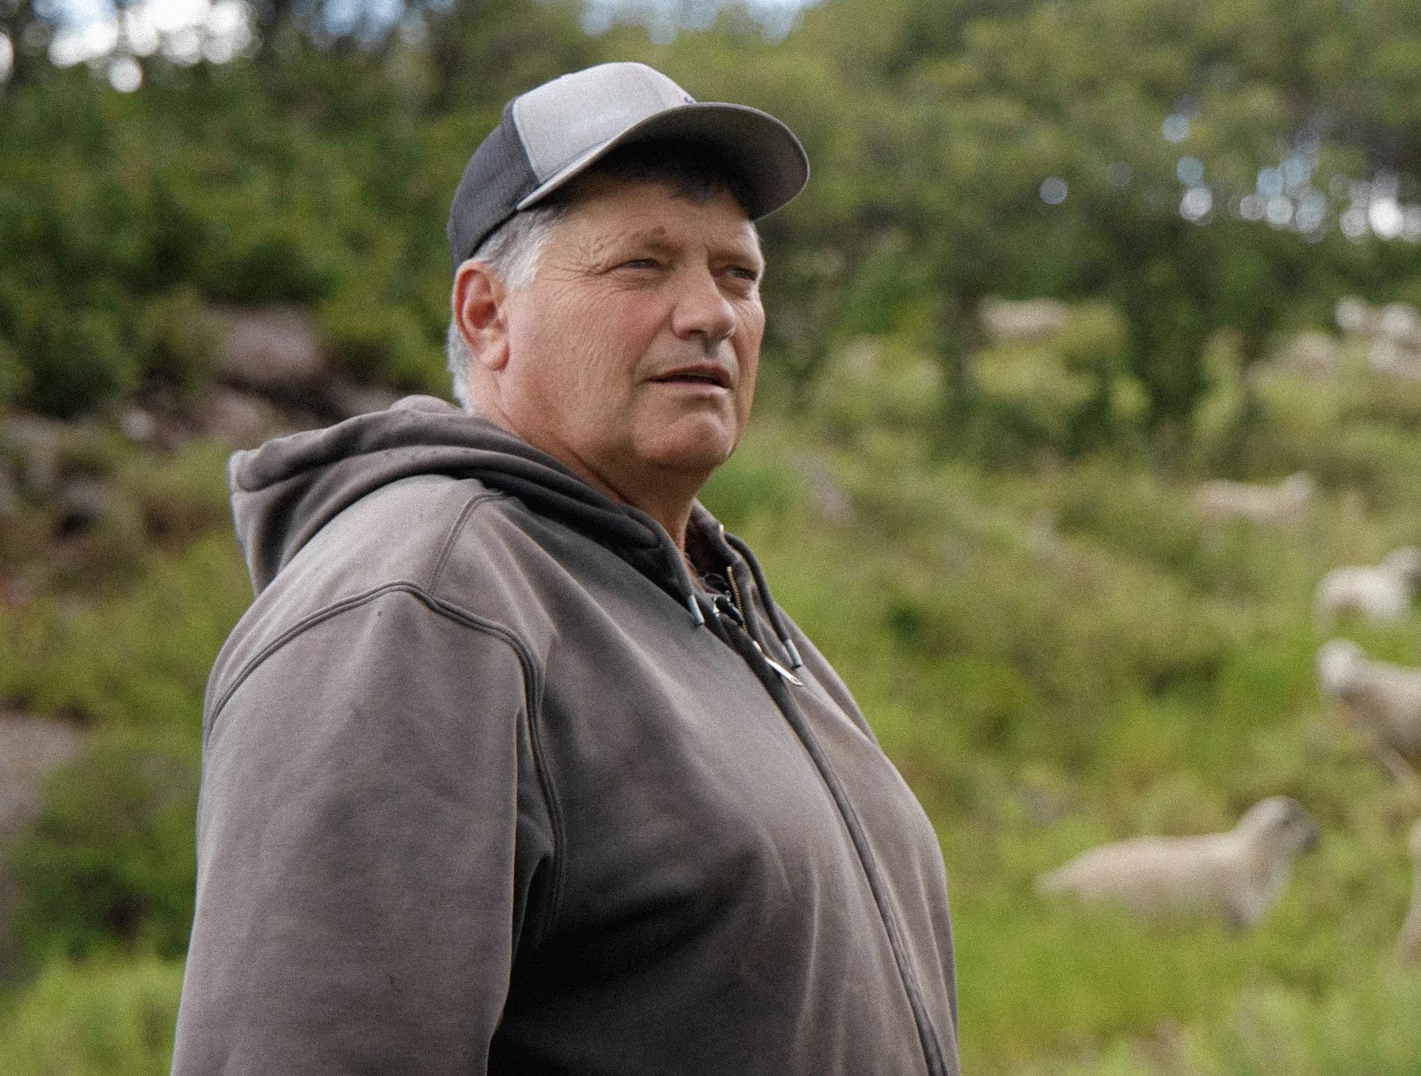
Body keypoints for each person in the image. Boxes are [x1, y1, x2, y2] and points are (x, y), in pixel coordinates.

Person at [171, 63, 958, 1075]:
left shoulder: (720, 602)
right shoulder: (422, 607)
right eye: (642, 265)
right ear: (487, 315)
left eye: (738, 273)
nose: (711, 313)